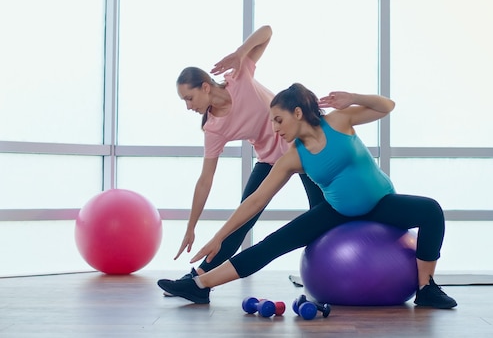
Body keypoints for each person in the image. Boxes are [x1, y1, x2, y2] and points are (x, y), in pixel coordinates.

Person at [158, 83, 457, 309]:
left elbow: (386, 106)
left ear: (297, 113)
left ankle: (426, 288)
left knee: (431, 210)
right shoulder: (293, 157)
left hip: (381, 204)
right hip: (336, 211)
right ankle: (200, 285)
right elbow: (256, 200)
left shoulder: (339, 121)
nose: (275, 129)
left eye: (278, 120)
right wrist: (219, 237)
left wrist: (353, 98)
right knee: (271, 244)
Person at [164, 26, 324, 301]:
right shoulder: (214, 128)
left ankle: (326, 275)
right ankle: (199, 281)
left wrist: (241, 52)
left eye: (189, 98)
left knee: (320, 213)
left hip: (301, 148)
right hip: (271, 160)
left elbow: (267, 31)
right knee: (241, 220)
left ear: (205, 87)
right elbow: (205, 180)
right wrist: (191, 226)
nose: (188, 106)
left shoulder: (239, 77)